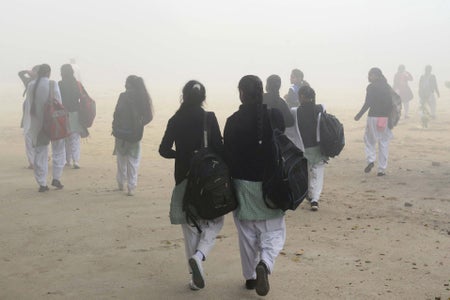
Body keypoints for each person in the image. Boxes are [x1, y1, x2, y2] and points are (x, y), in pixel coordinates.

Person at [224, 75, 286, 296]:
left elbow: (227, 155)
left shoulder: (232, 121)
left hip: (242, 186)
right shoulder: (275, 115)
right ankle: (265, 264)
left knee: (247, 236)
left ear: (241, 93)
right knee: (274, 233)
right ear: (262, 92)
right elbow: (282, 146)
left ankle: (250, 278)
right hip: (271, 186)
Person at [159, 80, 224, 291]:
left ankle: (194, 275)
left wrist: (182, 155)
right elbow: (219, 147)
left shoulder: (175, 119)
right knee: (215, 220)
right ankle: (200, 255)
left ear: (184, 96)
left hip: (184, 177)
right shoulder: (209, 118)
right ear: (203, 97)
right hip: (207, 178)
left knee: (189, 226)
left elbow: (163, 150)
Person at [26, 64, 65, 192]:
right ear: (48, 72)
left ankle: (42, 183)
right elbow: (58, 102)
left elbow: (29, 105)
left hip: (38, 124)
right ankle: (56, 178)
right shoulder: (53, 84)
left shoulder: (31, 85)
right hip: (53, 122)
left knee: (40, 153)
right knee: (58, 150)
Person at [112, 75, 153, 196]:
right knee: (133, 161)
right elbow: (149, 117)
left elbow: (116, 113)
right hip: (135, 135)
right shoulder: (142, 97)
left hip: (120, 134)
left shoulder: (122, 96)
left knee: (121, 159)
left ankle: (120, 183)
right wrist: (139, 125)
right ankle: (131, 187)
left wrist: (116, 127)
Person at [294, 85, 328, 211]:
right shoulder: (321, 108)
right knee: (317, 172)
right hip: (319, 147)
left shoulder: (295, 111)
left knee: (307, 172)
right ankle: (315, 199)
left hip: (303, 147)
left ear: (301, 97)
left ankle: (309, 194)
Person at [354, 68, 393, 177]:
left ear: (376, 75)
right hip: (384, 118)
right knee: (384, 142)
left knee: (369, 140)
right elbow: (392, 103)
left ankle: (371, 160)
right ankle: (381, 170)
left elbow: (368, 103)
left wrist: (359, 115)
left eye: (370, 75)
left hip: (373, 117)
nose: (369, 77)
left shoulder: (371, 87)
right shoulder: (387, 86)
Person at [59, 64, 88, 169]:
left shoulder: (60, 84)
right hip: (75, 113)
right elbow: (83, 96)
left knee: (66, 138)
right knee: (75, 138)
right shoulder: (77, 84)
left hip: (63, 114)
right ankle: (76, 161)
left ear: (62, 73)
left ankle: (68, 160)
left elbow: (58, 99)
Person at [18, 65, 40, 169]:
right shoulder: (29, 81)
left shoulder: (42, 82)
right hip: (28, 110)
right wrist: (27, 71)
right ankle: (32, 161)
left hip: (38, 110)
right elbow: (20, 73)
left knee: (36, 136)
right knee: (28, 135)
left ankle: (36, 159)